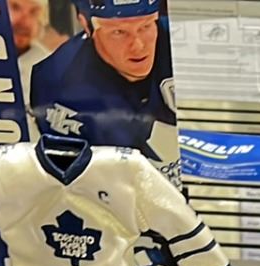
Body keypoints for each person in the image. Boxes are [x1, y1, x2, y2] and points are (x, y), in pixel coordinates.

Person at [28, 0, 179, 163]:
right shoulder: (56, 85)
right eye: (119, 32)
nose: (138, 45)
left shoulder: (183, 43)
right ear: (86, 25)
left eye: (146, 26)